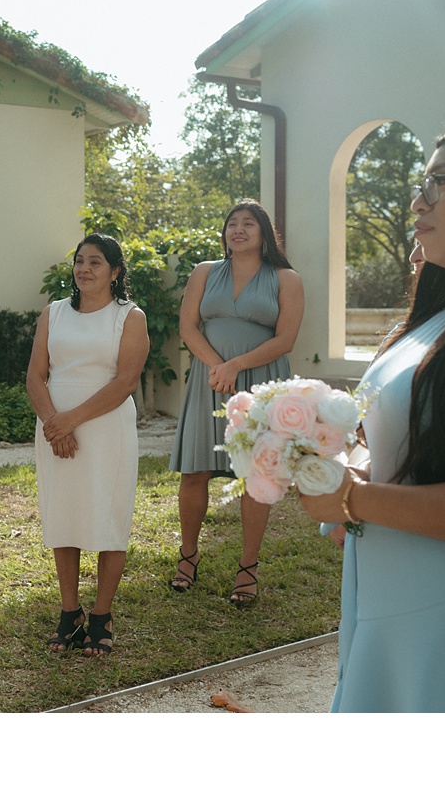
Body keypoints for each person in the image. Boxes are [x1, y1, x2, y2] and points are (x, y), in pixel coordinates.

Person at [299, 123, 445, 712]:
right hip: (388, 591)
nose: (418, 200)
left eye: (440, 181)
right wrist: (358, 464)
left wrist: (353, 501)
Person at [167, 200, 304, 605]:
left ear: (264, 233)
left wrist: (237, 366)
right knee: (194, 471)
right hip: (209, 381)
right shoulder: (204, 273)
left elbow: (286, 339)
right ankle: (187, 557)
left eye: (248, 223)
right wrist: (217, 367)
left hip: (261, 384)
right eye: (232, 224)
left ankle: (247, 568)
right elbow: (188, 326)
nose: (238, 230)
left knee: (255, 475)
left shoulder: (286, 278)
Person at [27, 234, 149, 655]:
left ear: (115, 272)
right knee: (64, 515)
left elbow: (126, 381)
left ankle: (101, 615)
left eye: (96, 262)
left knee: (108, 516)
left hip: (104, 429)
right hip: (55, 428)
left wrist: (70, 422)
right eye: (80, 261)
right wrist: (52, 424)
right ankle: (69, 613)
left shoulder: (129, 317)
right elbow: (34, 376)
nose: (85, 269)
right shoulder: (54, 313)